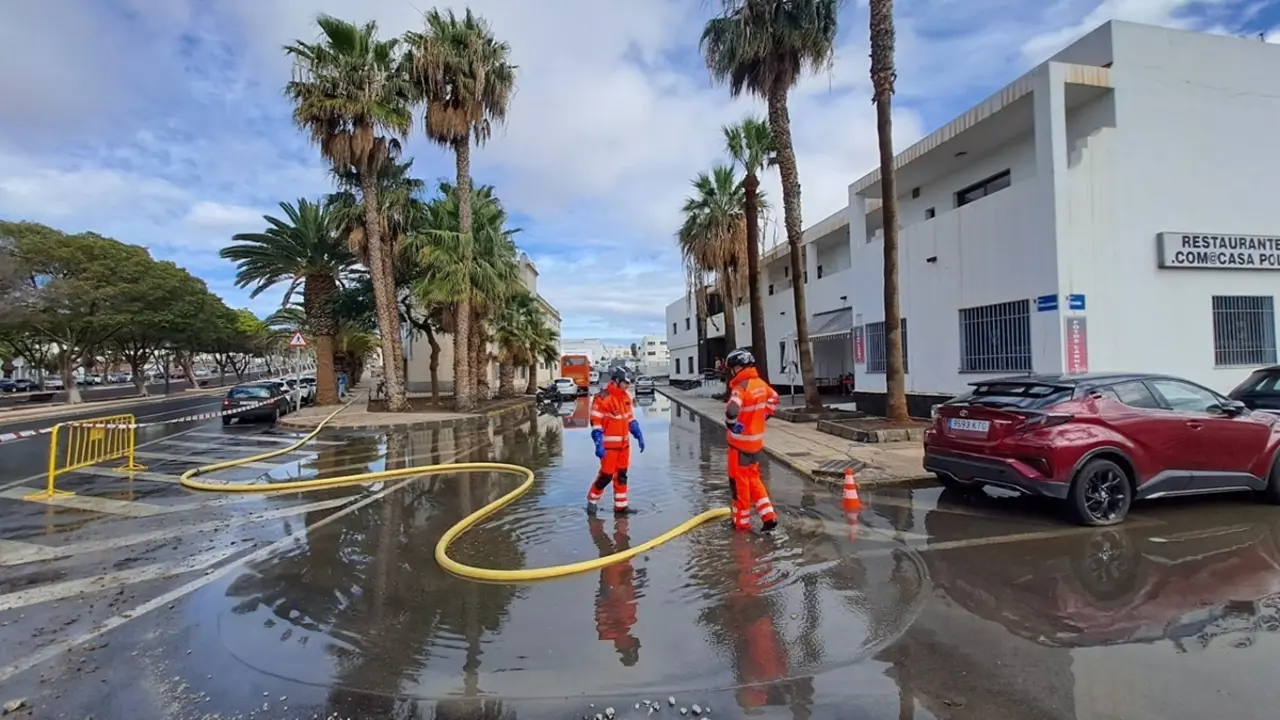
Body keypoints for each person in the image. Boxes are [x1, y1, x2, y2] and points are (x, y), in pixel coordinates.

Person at [724, 348, 780, 531]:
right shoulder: (761, 385)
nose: (731, 372)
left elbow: (732, 410)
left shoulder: (741, 388)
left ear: (739, 367)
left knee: (739, 485)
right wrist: (764, 416)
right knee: (754, 478)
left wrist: (732, 424)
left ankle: (741, 523)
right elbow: (774, 399)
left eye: (732, 368)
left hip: (739, 446)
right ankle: (768, 515)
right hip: (756, 444)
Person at [589, 367, 645, 514]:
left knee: (622, 475)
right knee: (606, 475)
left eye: (629, 382)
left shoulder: (626, 397)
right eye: (625, 382)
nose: (628, 385)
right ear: (616, 381)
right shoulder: (602, 398)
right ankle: (592, 501)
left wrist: (638, 433)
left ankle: (621, 506)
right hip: (608, 447)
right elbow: (596, 422)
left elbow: (630, 419)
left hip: (624, 446)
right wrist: (598, 443)